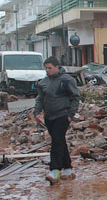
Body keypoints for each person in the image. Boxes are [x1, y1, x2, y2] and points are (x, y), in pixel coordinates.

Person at [30, 56, 80, 185]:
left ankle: (55, 170)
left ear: (57, 67)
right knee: (60, 141)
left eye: (50, 68)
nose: (48, 70)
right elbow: (40, 98)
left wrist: (71, 114)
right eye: (46, 68)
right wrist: (37, 112)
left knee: (56, 141)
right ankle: (68, 168)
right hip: (49, 116)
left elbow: (75, 97)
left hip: (62, 115)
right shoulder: (44, 82)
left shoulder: (67, 80)